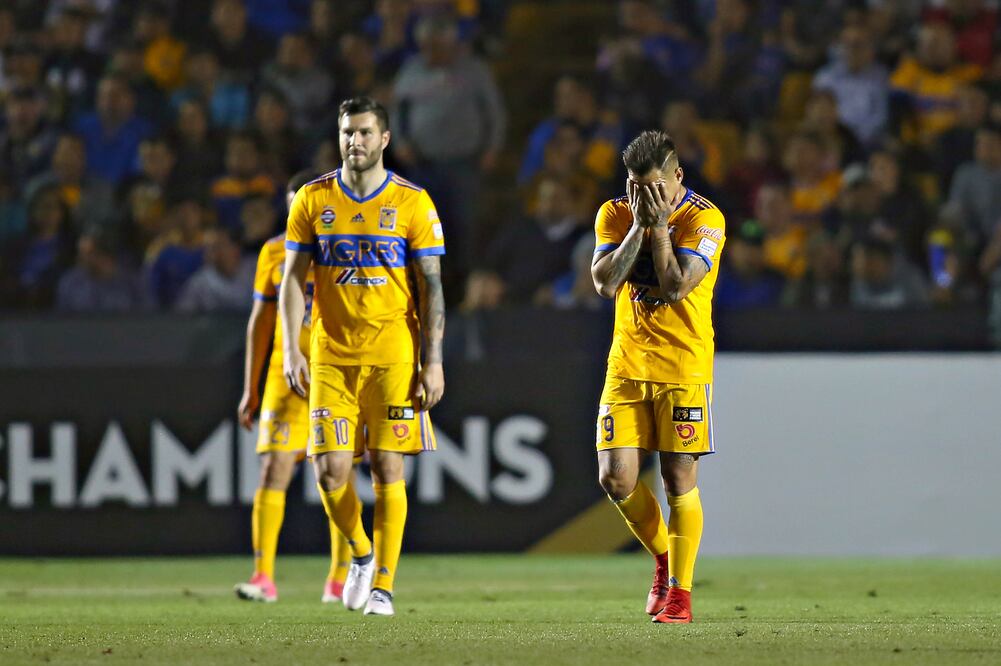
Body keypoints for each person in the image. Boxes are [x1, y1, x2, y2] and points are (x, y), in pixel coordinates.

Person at [279, 97, 445, 617]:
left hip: (393, 354)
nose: (355, 141)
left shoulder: (412, 202)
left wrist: (434, 360)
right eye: (348, 132)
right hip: (330, 354)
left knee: (387, 465)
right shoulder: (313, 199)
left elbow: (432, 287)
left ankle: (383, 589)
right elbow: (291, 280)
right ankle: (361, 554)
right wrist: (291, 347)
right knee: (329, 472)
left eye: (365, 132)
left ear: (385, 139)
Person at [590, 130, 725, 624]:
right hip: (627, 366)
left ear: (677, 177)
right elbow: (605, 282)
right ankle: (666, 558)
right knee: (615, 477)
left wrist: (661, 228)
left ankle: (681, 596)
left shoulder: (705, 218)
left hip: (682, 366)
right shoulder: (614, 213)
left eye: (654, 189)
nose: (642, 198)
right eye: (634, 187)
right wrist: (639, 228)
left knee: (677, 478)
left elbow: (674, 287)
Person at [234, 170, 351, 605]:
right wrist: (250, 387)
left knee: (337, 473)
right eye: (293, 203)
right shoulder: (274, 252)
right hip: (286, 378)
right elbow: (260, 321)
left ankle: (340, 578)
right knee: (273, 469)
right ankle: (263, 576)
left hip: (334, 373)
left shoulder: (346, 246)